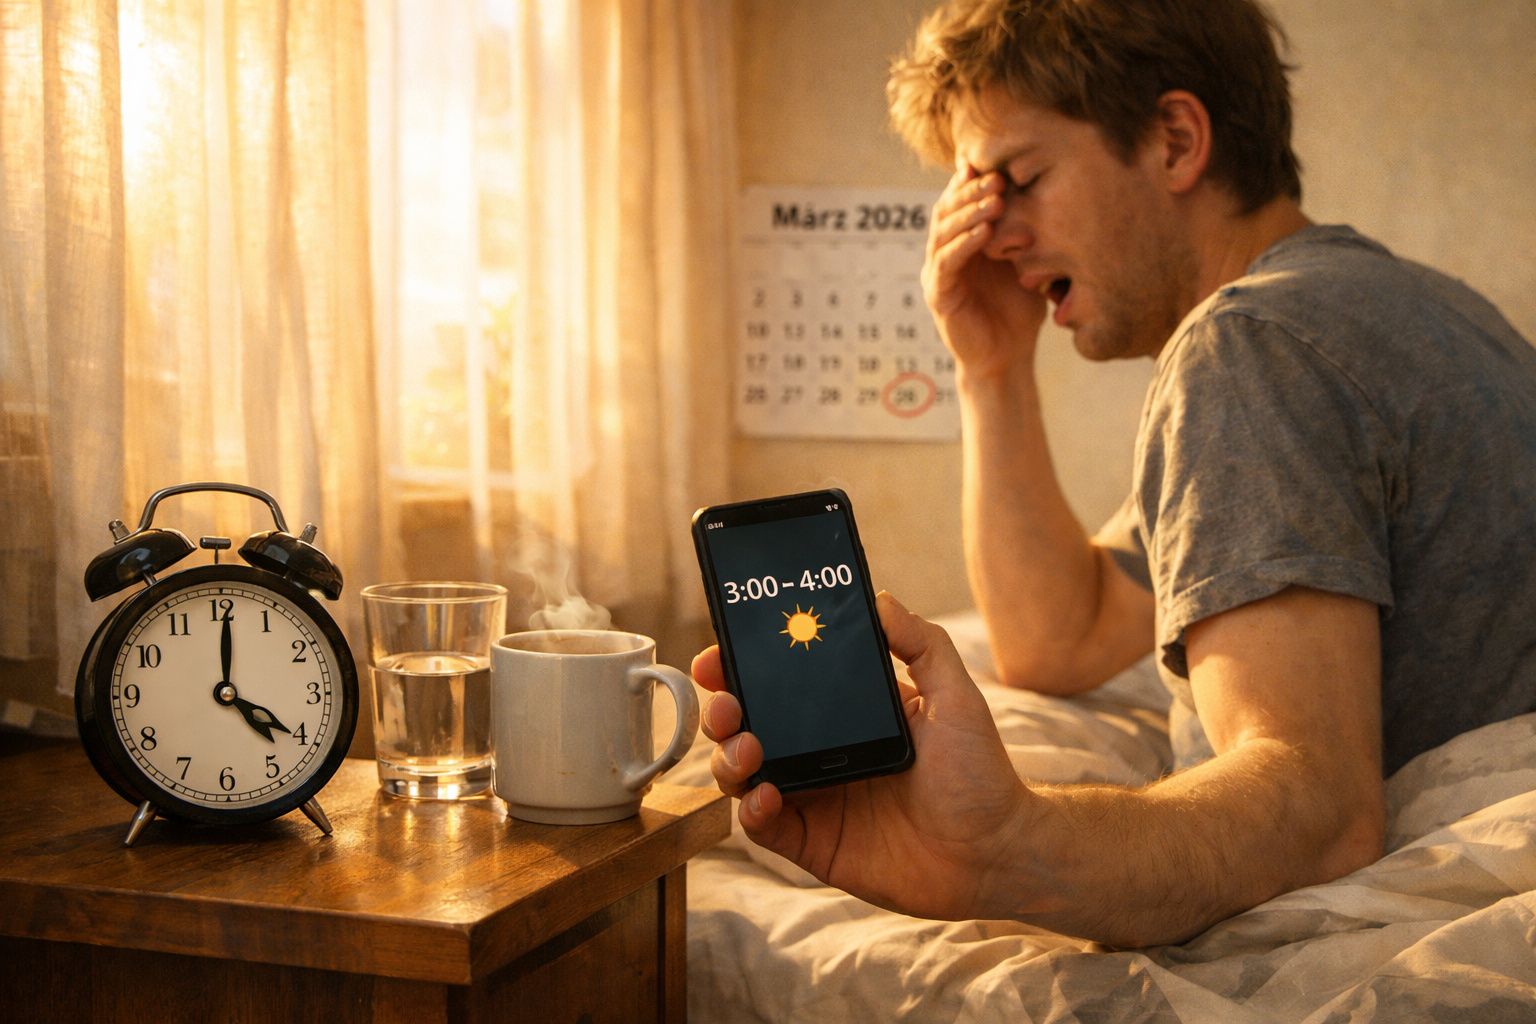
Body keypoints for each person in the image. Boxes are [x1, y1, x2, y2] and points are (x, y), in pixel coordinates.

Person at [692, 0, 1536, 947]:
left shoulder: (1250, 350)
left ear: (1176, 140)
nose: (994, 235)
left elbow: (1317, 809)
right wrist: (991, 371)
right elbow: (1065, 635)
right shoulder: (1402, 309)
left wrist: (1005, 843)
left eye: (1018, 178)